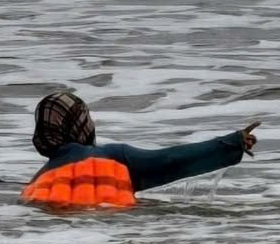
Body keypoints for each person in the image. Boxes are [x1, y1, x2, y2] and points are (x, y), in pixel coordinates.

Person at [22, 89, 256, 208]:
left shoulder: (39, 180)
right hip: (114, 234)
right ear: (81, 125)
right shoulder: (114, 156)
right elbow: (170, 160)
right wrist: (231, 143)